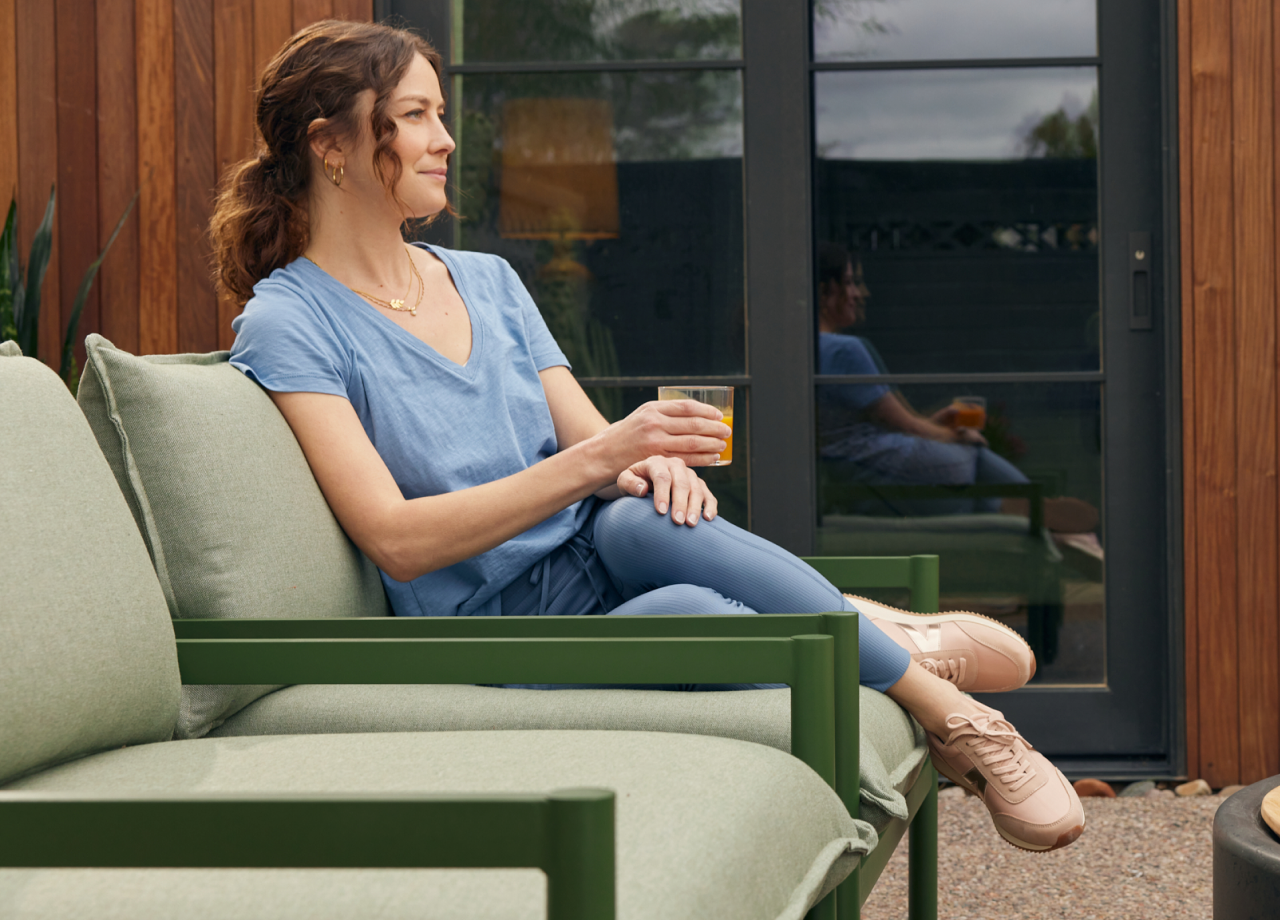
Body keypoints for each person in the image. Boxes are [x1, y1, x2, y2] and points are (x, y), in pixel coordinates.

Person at [210, 19, 1084, 852]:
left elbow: (596, 459)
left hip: (601, 547)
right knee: (695, 614)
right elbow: (399, 543)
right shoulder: (291, 322)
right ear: (329, 144)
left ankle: (961, 721)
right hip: (497, 622)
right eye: (414, 117)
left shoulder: (487, 280)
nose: (444, 139)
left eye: (441, 114)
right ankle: (878, 632)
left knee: (641, 519)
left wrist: (653, 470)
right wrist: (605, 456)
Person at [816, 243, 1098, 532]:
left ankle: (1032, 515)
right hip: (886, 467)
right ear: (825, 291)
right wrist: (955, 437)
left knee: (973, 494)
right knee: (974, 453)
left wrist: (937, 426)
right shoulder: (845, 350)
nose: (859, 294)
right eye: (849, 283)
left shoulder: (805, 351)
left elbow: (886, 420)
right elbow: (907, 425)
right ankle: (1038, 507)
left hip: (859, 474)